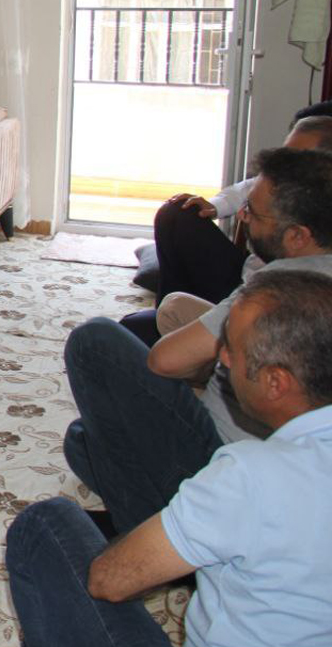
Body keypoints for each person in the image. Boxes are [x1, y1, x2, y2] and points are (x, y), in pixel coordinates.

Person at [7, 269, 332, 647]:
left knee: (45, 524)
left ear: (276, 383)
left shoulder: (252, 475)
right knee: (81, 441)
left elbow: (110, 581)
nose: (222, 358)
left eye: (233, 350)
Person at [62, 147, 332, 538]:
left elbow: (165, 361)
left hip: (226, 460)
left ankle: (153, 528)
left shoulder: (281, 290)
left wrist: (204, 368)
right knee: (81, 439)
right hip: (280, 468)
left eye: (254, 214)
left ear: (297, 236)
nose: (243, 217)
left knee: (95, 341)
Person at [150, 105, 332, 306]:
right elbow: (243, 189)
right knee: (177, 212)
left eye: (294, 158)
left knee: (134, 323)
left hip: (268, 301)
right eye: (284, 153)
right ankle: (169, 308)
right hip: (243, 279)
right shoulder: (281, 179)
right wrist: (214, 206)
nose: (283, 163)